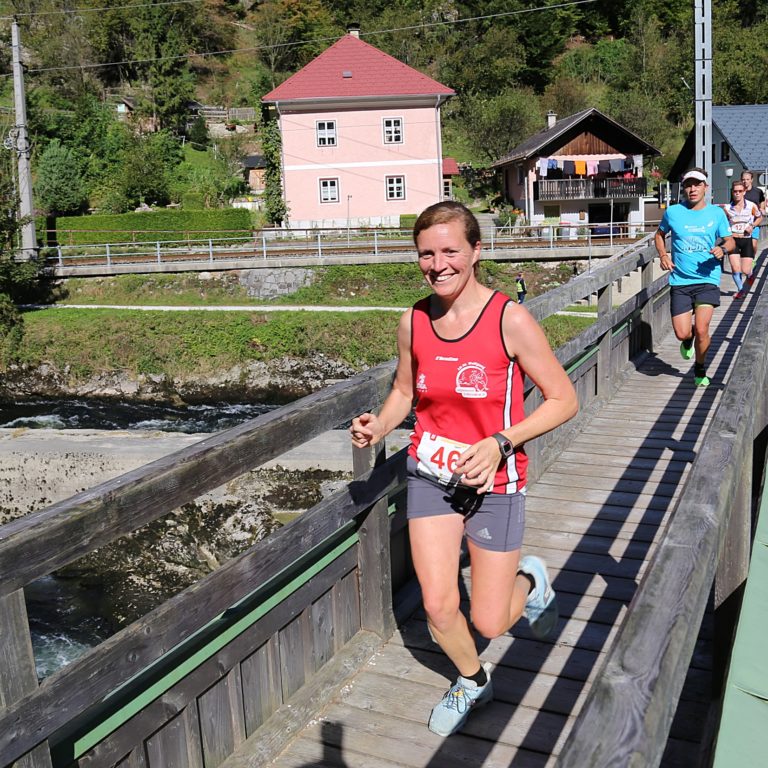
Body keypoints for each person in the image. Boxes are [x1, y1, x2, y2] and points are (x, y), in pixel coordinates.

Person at [350, 201, 578, 737]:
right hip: (432, 474)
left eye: (451, 250)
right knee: (437, 605)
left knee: (491, 621)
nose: (438, 263)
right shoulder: (413, 319)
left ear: (477, 251)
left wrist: (503, 441)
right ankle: (473, 680)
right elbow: (405, 390)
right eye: (426, 254)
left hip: (496, 481)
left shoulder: (509, 319)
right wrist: (379, 426)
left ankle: (531, 581)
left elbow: (563, 399)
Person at [655, 169, 735, 387]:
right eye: (688, 185)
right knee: (682, 333)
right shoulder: (673, 212)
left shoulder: (716, 214)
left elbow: (730, 241)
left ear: (705, 188)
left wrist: (722, 249)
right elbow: (659, 235)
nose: (692, 189)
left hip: (707, 278)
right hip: (680, 281)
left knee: (702, 328)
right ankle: (687, 341)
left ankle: (700, 368)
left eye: (697, 184)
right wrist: (663, 254)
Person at [721, 180, 762, 298]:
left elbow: (759, 218)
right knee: (735, 267)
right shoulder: (727, 208)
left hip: (746, 239)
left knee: (745, 269)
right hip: (733, 240)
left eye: (740, 191)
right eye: (735, 191)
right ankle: (741, 290)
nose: (737, 193)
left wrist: (752, 226)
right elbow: (721, 223)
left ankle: (750, 274)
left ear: (744, 192)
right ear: (732, 192)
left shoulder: (751, 206)